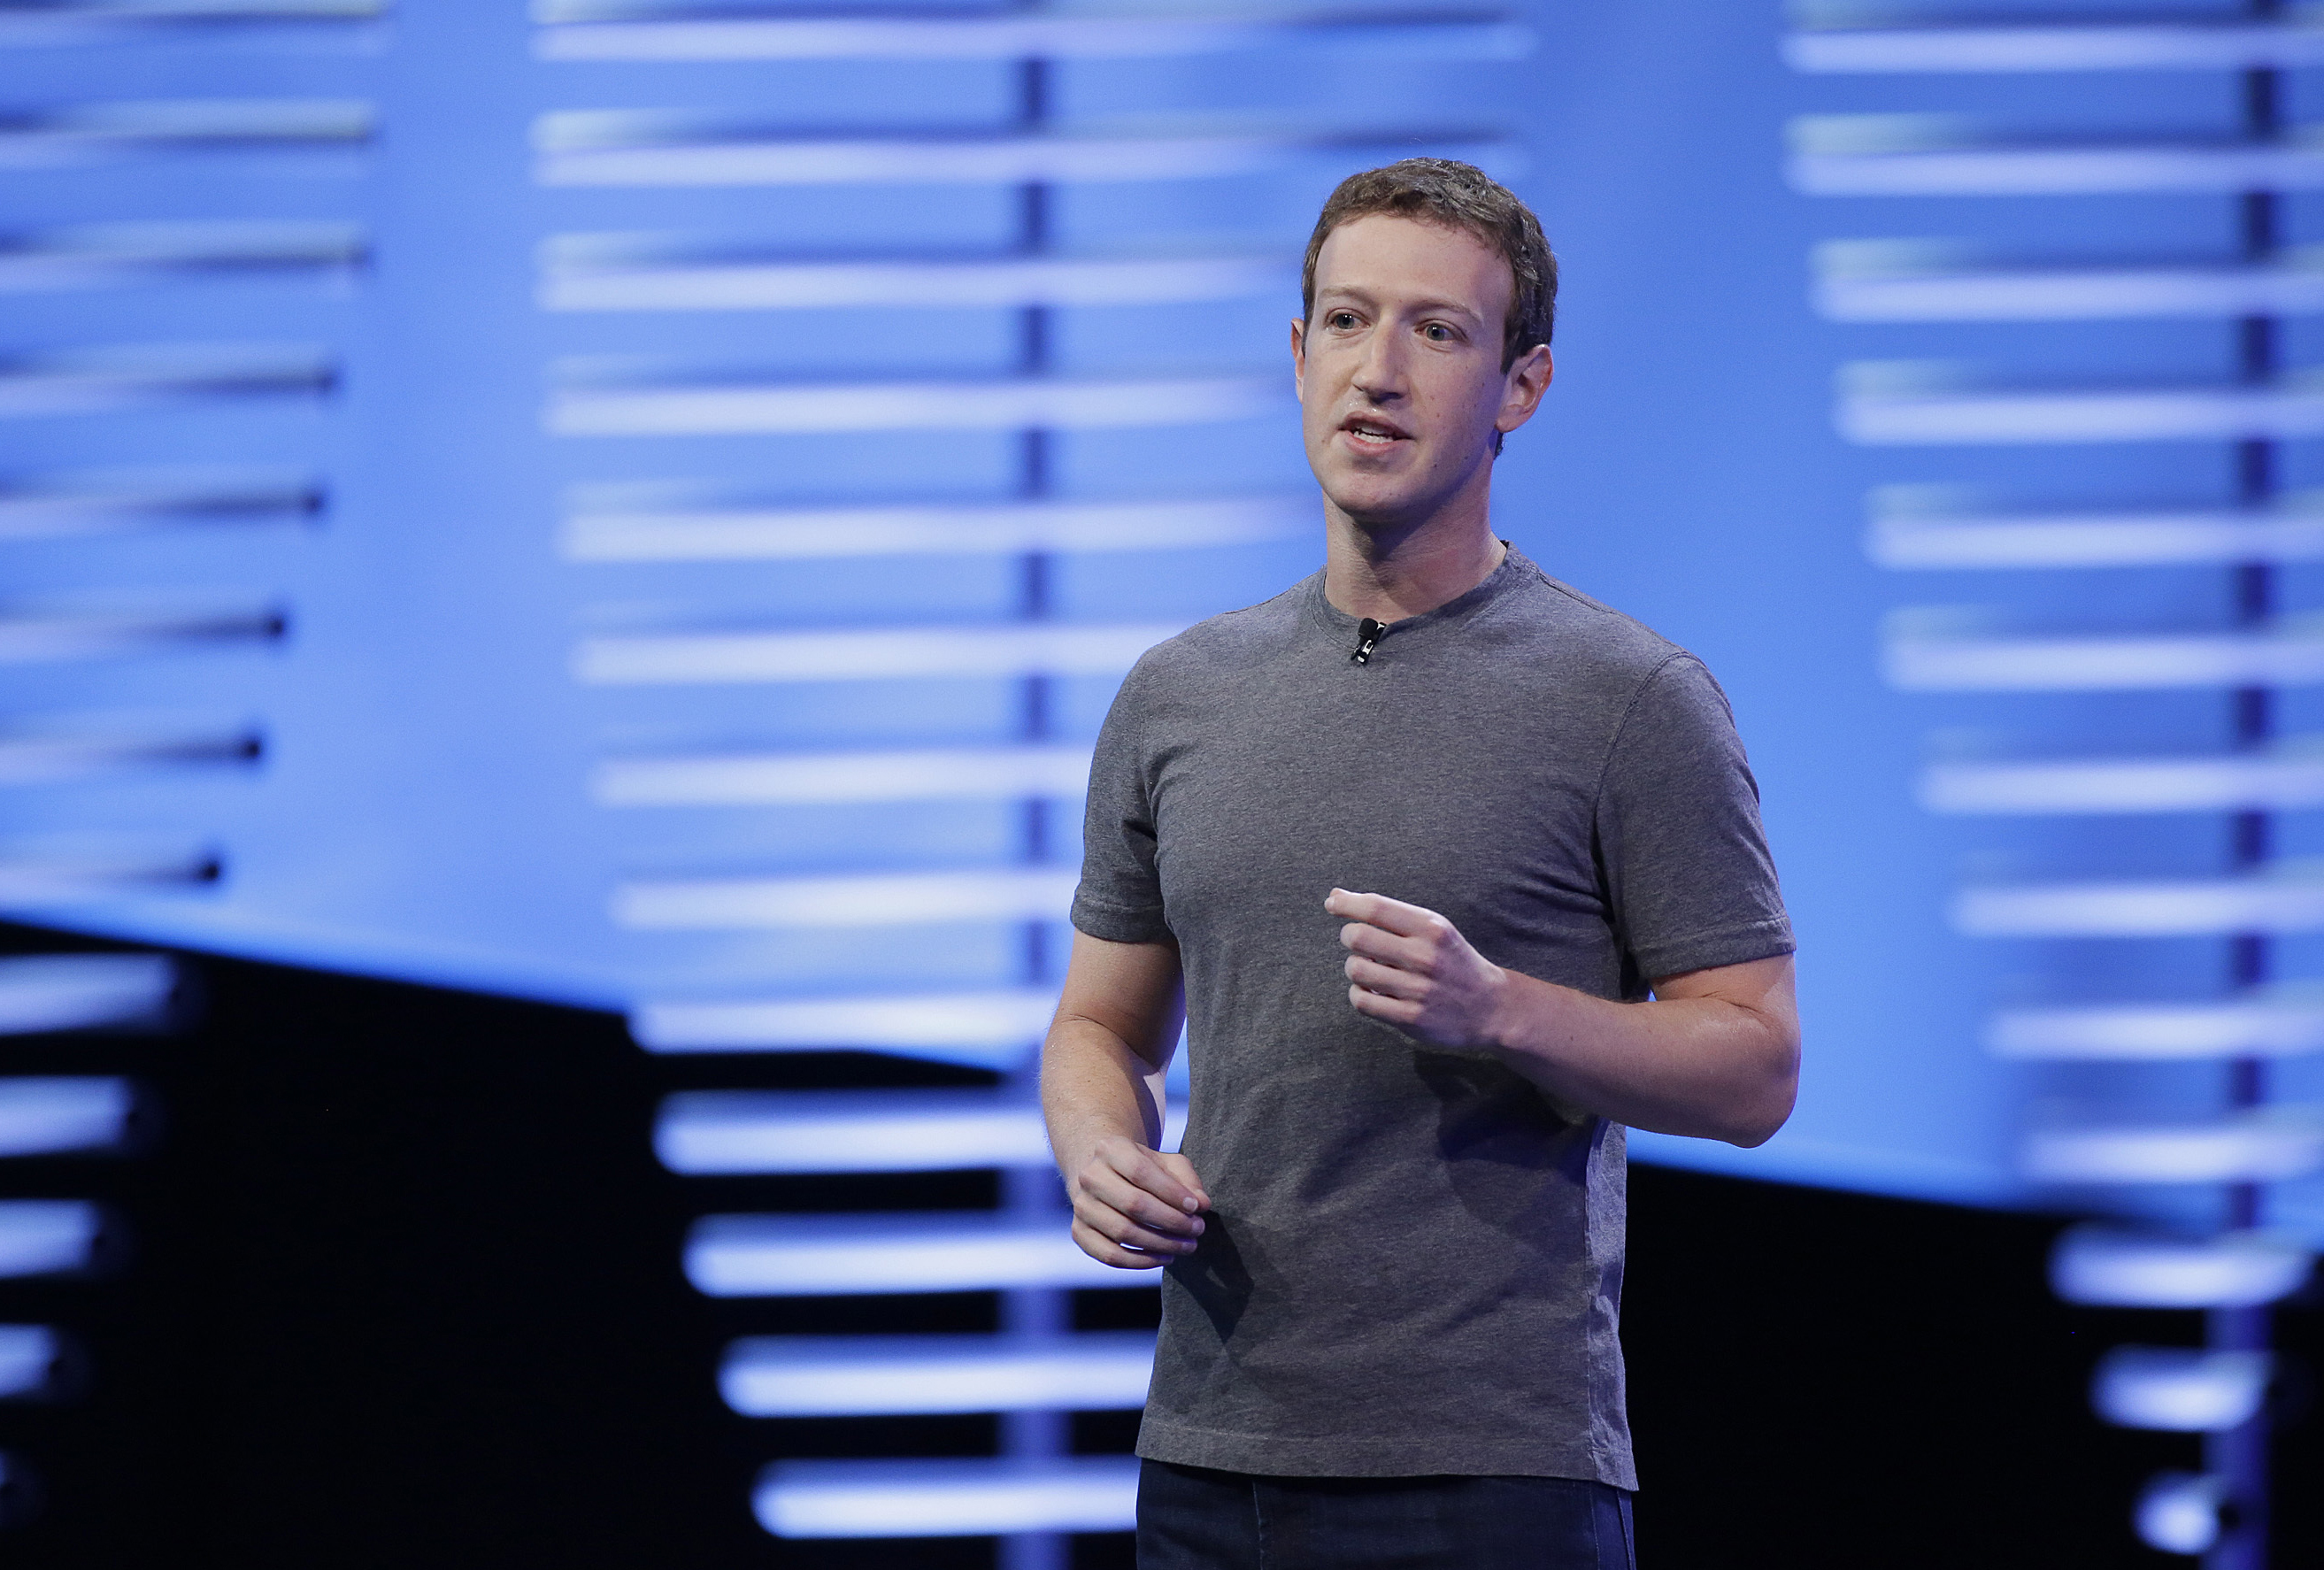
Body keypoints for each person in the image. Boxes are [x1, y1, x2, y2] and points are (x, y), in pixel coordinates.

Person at [1039, 158, 1798, 1570]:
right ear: (1295, 351)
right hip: (1209, 1463)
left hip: (1489, 1474)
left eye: (1435, 332)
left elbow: (1755, 1067)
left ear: (1522, 386)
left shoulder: (1628, 696)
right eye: (1343, 320)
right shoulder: (1177, 693)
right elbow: (1098, 1025)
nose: (1374, 372)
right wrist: (1098, 1147)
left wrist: (1500, 1008)